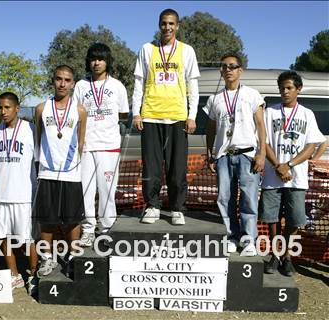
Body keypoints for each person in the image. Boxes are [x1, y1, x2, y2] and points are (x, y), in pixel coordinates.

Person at [132, 8, 200, 225]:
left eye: (171, 24)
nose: (167, 27)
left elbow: (193, 86)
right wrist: (136, 113)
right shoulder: (147, 49)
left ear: (177, 26)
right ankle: (152, 206)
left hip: (177, 117)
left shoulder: (187, 50)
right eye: (164, 23)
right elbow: (138, 83)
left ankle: (177, 208)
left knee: (177, 167)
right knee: (151, 166)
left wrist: (192, 115)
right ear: (159, 25)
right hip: (151, 115)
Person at [261, 71, 325, 276]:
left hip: (296, 178)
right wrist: (278, 166)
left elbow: (311, 146)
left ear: (299, 89)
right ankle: (275, 255)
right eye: (282, 88)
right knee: (271, 218)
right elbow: (264, 142)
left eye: (289, 88)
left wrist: (288, 165)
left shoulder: (307, 114)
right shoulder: (269, 112)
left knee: (294, 219)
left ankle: (287, 255)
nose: (285, 92)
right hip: (272, 177)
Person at [204, 53, 266, 256]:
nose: (228, 70)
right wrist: (210, 153)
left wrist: (262, 153)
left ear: (241, 69)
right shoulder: (215, 99)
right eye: (224, 67)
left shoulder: (252, 94)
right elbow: (211, 128)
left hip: (247, 154)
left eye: (232, 66)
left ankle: (249, 240)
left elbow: (260, 125)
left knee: (248, 199)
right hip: (223, 155)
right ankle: (232, 236)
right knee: (224, 198)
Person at [73, 43, 129, 247]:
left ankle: (107, 228)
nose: (96, 63)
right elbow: (76, 114)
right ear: (88, 61)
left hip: (109, 145)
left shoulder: (117, 86)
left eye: (101, 59)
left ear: (107, 62)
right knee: (86, 191)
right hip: (86, 147)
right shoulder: (80, 85)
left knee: (107, 190)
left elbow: (123, 114)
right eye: (93, 59)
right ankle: (88, 229)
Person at [34, 65, 87, 277]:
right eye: (58, 79)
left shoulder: (80, 110)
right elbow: (39, 139)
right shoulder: (41, 108)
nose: (62, 83)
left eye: (67, 80)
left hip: (71, 172)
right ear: (53, 81)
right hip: (46, 171)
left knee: (73, 218)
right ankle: (47, 258)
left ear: (73, 83)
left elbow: (81, 142)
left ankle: (74, 256)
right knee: (46, 218)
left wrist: (72, 162)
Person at [0, 92, 38, 291]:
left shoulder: (31, 129)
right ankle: (15, 275)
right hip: (1, 195)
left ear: (17, 108)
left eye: (7, 107)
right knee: (3, 238)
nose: (3, 111)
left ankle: (34, 275)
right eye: (0, 107)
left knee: (28, 240)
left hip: (23, 195)